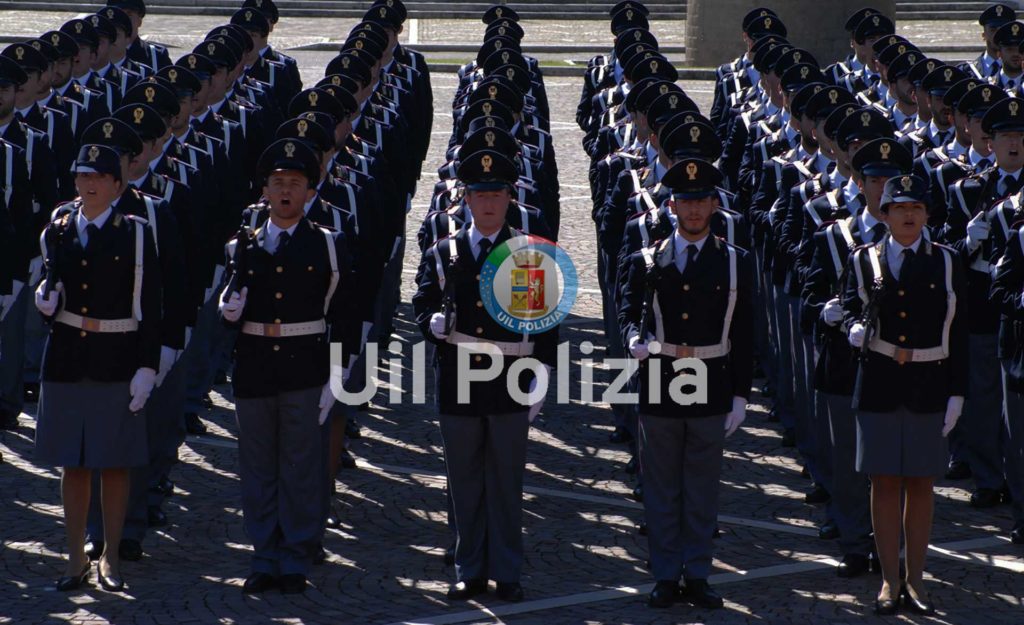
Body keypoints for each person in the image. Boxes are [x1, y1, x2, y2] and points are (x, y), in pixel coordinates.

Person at [412, 149, 559, 603]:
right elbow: (422, 300)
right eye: (480, 195)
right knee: (464, 481)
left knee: (506, 481)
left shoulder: (529, 253)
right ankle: (469, 568)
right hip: (457, 375)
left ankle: (507, 570)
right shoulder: (444, 250)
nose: (488, 203)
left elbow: (547, 320)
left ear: (509, 198)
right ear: (466, 200)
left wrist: (543, 374)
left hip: (509, 376)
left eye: (496, 194)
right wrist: (430, 324)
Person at [219, 138, 361, 595]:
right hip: (256, 366)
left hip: (306, 366)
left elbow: (345, 315)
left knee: (301, 465)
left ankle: (297, 554)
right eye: (278, 183)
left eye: (294, 184)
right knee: (258, 466)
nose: (285, 192)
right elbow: (228, 309)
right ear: (264, 191)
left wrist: (338, 374)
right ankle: (264, 555)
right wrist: (228, 310)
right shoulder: (242, 246)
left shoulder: (329, 246)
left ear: (308, 193)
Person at [618, 158, 753, 610]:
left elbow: (746, 334)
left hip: (712, 380)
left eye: (702, 201)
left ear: (715, 204)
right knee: (660, 486)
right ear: (671, 206)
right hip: (662, 378)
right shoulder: (646, 259)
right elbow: (625, 312)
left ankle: (697, 572)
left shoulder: (735, 263)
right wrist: (633, 337)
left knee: (702, 487)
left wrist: (740, 394)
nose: (694, 211)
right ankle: (663, 573)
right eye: (685, 202)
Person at [34, 142, 162, 592]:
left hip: (116, 357)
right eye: (81, 177)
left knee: (114, 463)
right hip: (68, 356)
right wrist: (45, 304)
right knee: (73, 464)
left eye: (97, 178)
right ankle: (74, 558)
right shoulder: (59, 228)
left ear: (116, 185)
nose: (87, 185)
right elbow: (52, 284)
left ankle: (110, 555)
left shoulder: (137, 233)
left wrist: (148, 365)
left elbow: (150, 304)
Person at [842, 172, 968, 615]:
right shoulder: (863, 260)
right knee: (883, 481)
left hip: (929, 380)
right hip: (878, 379)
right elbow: (847, 308)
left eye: (916, 208)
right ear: (885, 214)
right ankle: (888, 580)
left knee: (921, 483)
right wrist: (851, 327)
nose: (908, 215)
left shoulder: (948, 262)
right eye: (899, 208)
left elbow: (960, 332)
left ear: (927, 214)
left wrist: (958, 393)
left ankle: (916, 579)